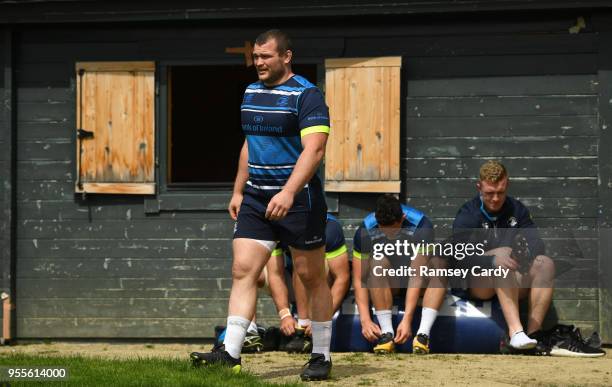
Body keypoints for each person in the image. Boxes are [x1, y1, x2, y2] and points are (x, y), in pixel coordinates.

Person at [190, 29, 334, 381]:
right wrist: (238, 190)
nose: (259, 63)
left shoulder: (307, 95)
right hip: (256, 197)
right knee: (243, 270)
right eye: (255, 56)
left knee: (310, 276)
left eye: (266, 56)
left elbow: (314, 150)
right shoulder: (251, 92)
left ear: (286, 56)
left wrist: (287, 192)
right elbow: (250, 143)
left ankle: (321, 355)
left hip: (299, 200)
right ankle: (230, 353)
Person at [452, 161, 561, 352]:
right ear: (479, 187)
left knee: (546, 264)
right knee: (499, 262)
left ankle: (534, 336)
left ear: (507, 185)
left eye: (500, 193)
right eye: (489, 193)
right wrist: (491, 257)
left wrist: (521, 253)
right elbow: (459, 257)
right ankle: (516, 333)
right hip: (479, 283)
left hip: (511, 277)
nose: (495, 199)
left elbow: (537, 243)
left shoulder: (517, 209)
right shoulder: (467, 213)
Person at [352, 194, 446, 354]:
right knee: (377, 263)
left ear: (402, 218)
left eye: (395, 231)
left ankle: (422, 335)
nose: (390, 236)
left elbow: (417, 275)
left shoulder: (422, 226)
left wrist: (407, 319)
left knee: (440, 266)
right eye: (385, 231)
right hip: (391, 283)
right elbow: (359, 277)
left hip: (417, 281)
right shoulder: (365, 229)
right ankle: (387, 334)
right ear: (377, 220)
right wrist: (365, 320)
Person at [271, 213, 350, 353]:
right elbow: (274, 275)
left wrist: (323, 318)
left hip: (322, 281)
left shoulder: (330, 229)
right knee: (252, 270)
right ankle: (301, 329)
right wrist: (285, 314)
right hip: (294, 280)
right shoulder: (277, 226)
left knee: (307, 264)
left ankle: (317, 327)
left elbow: (342, 278)